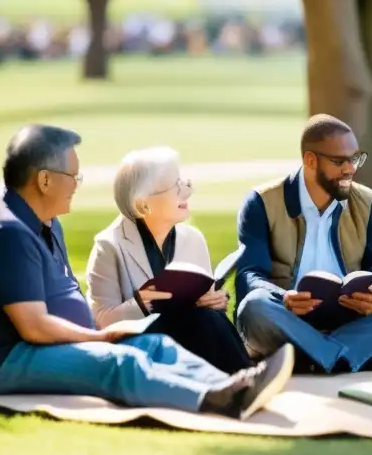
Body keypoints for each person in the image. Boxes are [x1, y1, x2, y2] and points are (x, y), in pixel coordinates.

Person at [0, 125, 293, 421]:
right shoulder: (8, 232)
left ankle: (235, 385)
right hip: (3, 360)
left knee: (154, 345)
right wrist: (98, 337)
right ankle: (216, 400)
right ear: (45, 180)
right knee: (120, 363)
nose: (78, 184)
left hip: (40, 346)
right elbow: (33, 327)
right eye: (73, 176)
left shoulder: (45, 224)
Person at [234, 114, 372, 375]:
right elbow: (248, 275)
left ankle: (313, 359)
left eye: (355, 158)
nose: (350, 169)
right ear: (310, 160)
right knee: (254, 306)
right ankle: (363, 358)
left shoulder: (368, 202)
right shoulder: (262, 202)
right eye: (339, 161)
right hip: (288, 317)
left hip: (351, 318)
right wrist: (284, 298)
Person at [86, 146, 263, 377]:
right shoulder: (108, 246)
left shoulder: (193, 239)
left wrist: (215, 300)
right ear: (143, 205)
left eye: (184, 182)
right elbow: (101, 323)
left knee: (209, 316)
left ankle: (243, 375)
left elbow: (204, 303)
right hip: (141, 345)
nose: (188, 191)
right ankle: (246, 375)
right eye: (176, 187)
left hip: (190, 335)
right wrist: (143, 301)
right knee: (202, 321)